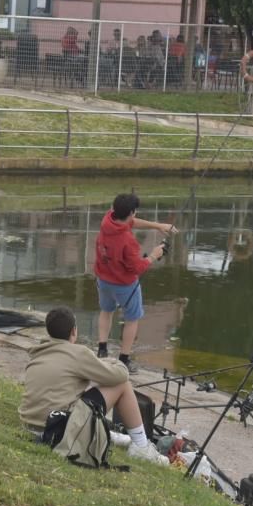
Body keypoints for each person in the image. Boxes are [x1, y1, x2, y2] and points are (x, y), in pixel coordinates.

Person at [18, 306, 170, 465]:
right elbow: (120, 375)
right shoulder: (78, 354)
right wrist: (113, 362)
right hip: (60, 430)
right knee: (123, 385)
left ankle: (110, 435)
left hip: (31, 424)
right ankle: (141, 447)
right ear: (73, 332)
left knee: (85, 390)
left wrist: (97, 364)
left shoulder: (38, 352)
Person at [94, 193, 174, 374]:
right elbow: (137, 268)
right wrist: (154, 255)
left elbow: (130, 222)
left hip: (103, 279)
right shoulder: (127, 242)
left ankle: (102, 350)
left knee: (106, 311)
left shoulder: (107, 220)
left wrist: (157, 226)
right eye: (134, 213)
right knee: (132, 319)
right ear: (131, 212)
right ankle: (124, 360)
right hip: (125, 285)